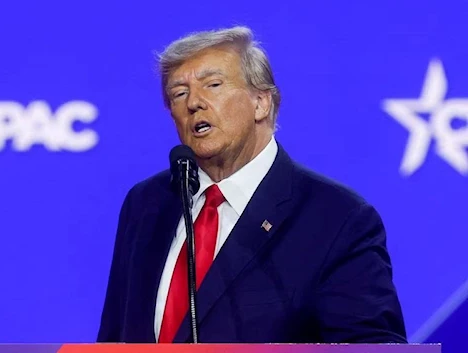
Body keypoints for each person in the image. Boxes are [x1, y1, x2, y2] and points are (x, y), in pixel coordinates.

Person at [97, 26, 407, 344]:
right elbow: (112, 340)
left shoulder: (337, 218)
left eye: (213, 85)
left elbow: (373, 346)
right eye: (179, 93)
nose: (194, 103)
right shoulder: (147, 203)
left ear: (261, 102)